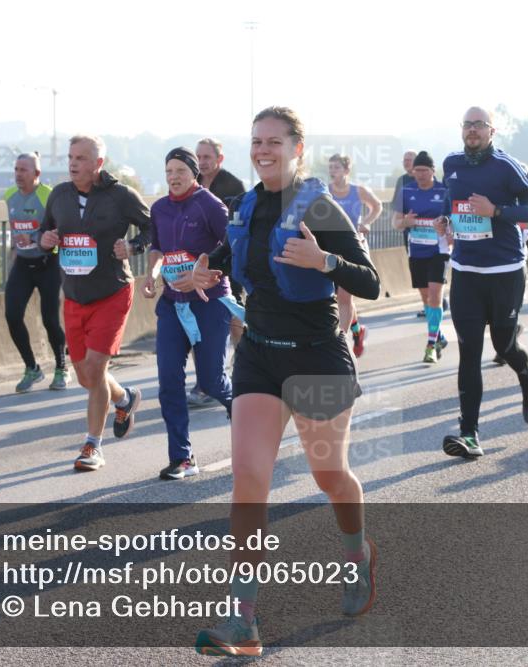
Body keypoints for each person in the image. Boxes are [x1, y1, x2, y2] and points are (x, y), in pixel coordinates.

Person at [191, 107, 380, 657]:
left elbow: (368, 280)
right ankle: (242, 619)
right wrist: (209, 270)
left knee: (329, 476)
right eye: (256, 141)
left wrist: (325, 261)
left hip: (317, 358)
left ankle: (357, 556)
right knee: (249, 480)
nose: (262, 149)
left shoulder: (317, 206)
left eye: (274, 141)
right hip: (258, 357)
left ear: (298, 147)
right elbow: (231, 254)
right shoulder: (246, 205)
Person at [432, 106, 528, 459]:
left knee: (504, 344)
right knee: (469, 354)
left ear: (492, 131)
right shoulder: (451, 164)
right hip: (465, 271)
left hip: (504, 270)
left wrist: (495, 211)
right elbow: (453, 203)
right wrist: (447, 221)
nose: (472, 130)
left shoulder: (507, 166)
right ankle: (469, 434)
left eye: (479, 125)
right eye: (467, 124)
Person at [39, 135, 152, 472]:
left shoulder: (120, 196)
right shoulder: (59, 195)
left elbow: (150, 227)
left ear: (98, 164)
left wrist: (132, 247)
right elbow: (46, 233)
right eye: (71, 157)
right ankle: (124, 398)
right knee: (87, 377)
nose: (73, 163)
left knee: (97, 367)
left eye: (82, 158)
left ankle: (92, 446)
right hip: (74, 295)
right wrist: (45, 241)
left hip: (112, 292)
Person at [143, 147, 237, 480]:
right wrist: (152, 275)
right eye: (168, 171)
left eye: (180, 171)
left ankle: (242, 409)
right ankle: (182, 457)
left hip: (209, 303)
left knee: (211, 382)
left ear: (194, 173)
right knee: (169, 381)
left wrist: (207, 271)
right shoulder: (159, 208)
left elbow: (233, 248)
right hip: (172, 305)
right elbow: (157, 248)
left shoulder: (210, 206)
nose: (173, 177)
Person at [3, 152, 69, 393]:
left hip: (48, 263)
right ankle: (32, 368)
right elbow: (14, 229)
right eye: (16, 169)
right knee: (12, 315)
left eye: (24, 170)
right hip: (22, 263)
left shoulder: (48, 196)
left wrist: (37, 238)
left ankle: (62, 368)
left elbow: (62, 226)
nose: (18, 174)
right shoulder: (9, 196)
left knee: (50, 319)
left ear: (37, 174)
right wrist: (15, 253)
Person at [189, 138, 247, 408]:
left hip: (228, 259)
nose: (202, 162)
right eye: (198, 156)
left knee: (233, 315)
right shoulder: (192, 181)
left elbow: (239, 225)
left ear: (219, 159)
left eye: (207, 156)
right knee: (198, 321)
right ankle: (206, 380)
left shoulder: (233, 186)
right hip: (199, 261)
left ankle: (244, 368)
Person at [391, 150, 450, 362]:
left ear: (433, 171)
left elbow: (453, 219)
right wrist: (406, 221)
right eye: (417, 170)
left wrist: (447, 227)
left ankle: (431, 346)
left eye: (425, 170)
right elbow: (396, 223)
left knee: (435, 297)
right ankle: (438, 334)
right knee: (426, 300)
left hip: (439, 252)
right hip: (416, 251)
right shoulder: (406, 191)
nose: (421, 174)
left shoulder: (444, 191)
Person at [328, 154, 383, 357]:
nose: (333, 171)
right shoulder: (326, 192)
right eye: (330, 167)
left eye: (336, 167)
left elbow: (377, 206)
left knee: (344, 295)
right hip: (331, 248)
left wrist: (366, 222)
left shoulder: (357, 190)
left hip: (354, 246)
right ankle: (357, 331)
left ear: (346, 170)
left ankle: (340, 343)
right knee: (337, 297)